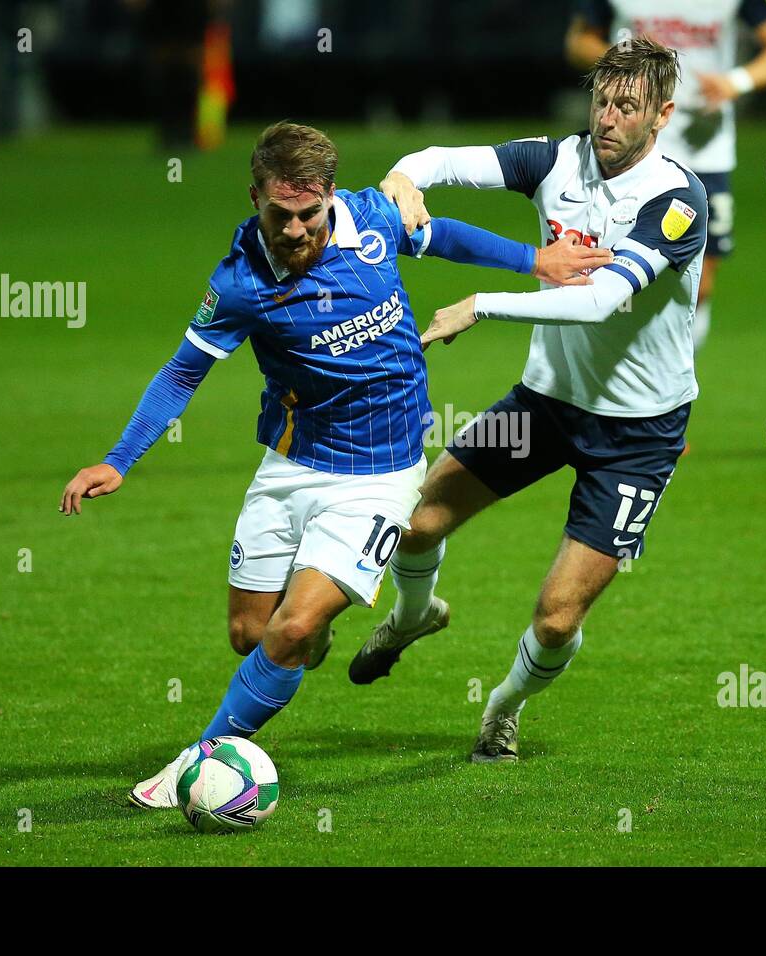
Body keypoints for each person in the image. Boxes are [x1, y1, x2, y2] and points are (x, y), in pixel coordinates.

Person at [58, 122, 611, 806]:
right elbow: (181, 374)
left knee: (289, 630)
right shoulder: (237, 284)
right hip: (290, 464)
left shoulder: (376, 217)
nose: (294, 231)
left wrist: (536, 260)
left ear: (329, 199)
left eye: (309, 215)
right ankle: (310, 638)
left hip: (381, 475)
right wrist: (119, 460)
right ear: (254, 197)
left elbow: (443, 236)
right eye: (278, 215)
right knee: (251, 635)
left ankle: (195, 767)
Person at [349, 39, 708, 763]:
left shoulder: (676, 201)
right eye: (601, 101)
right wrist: (403, 179)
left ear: (662, 115)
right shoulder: (556, 161)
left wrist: (482, 303)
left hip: (636, 435)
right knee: (415, 525)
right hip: (545, 406)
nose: (607, 118)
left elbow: (603, 301)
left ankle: (503, 705)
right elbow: (440, 158)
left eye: (627, 106)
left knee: (554, 618)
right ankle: (414, 616)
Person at [566, 0, 766, 351]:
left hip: (705, 149)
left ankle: (673, 385)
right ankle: (612, 382)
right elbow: (579, 41)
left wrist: (735, 81)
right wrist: (628, 70)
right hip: (630, 146)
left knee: (699, 283)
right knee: (613, 271)